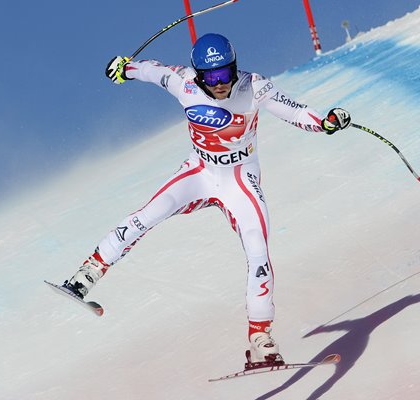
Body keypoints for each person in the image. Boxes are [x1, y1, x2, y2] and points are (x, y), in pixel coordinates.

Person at [63, 33, 351, 366]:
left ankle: (260, 337)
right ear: (199, 74)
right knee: (147, 215)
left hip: (239, 180)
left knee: (258, 251)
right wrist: (125, 69)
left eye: (225, 73)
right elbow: (151, 70)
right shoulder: (183, 82)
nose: (220, 84)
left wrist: (325, 123)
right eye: (211, 77)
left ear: (235, 67)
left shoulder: (254, 87)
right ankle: (85, 277)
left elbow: (294, 111)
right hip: (199, 173)